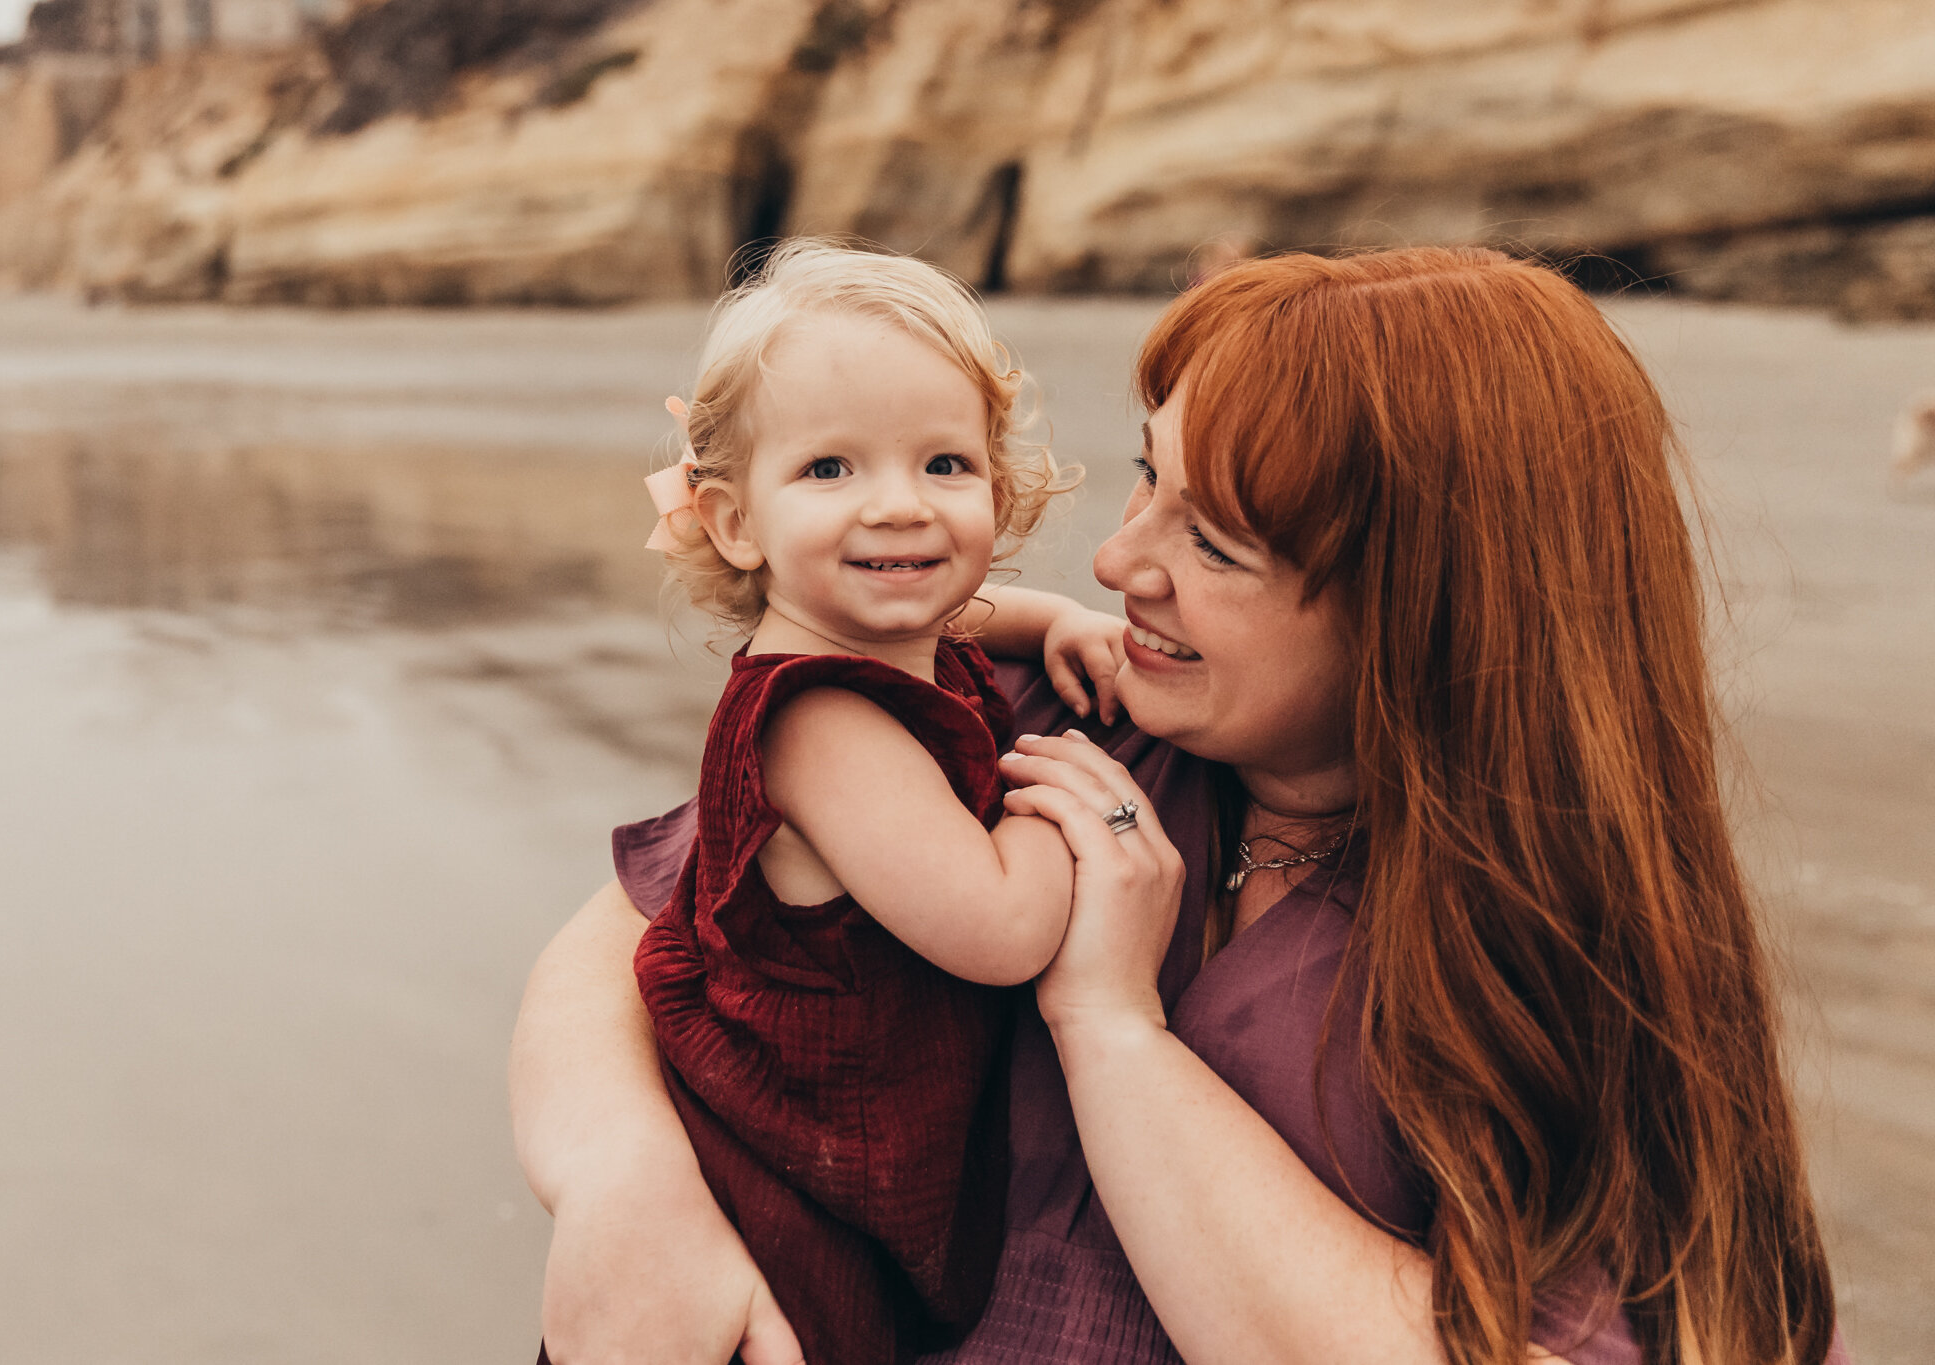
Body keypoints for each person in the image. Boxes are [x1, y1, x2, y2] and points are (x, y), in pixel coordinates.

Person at [511, 247, 1847, 1365]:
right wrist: (627, 1179)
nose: (1113, 561)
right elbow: (639, 936)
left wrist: (1112, 1030)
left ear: (1427, 616)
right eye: (1147, 476)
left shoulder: (1557, 955)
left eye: (1213, 540)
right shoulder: (1053, 710)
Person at [616, 240, 1125, 1363]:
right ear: (734, 522)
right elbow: (1000, 929)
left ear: (998, 485)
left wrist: (1054, 625)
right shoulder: (818, 722)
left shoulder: (881, 632)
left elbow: (965, 619)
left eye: (943, 465)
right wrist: (1064, 793)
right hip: (800, 1187)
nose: (898, 509)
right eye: (829, 471)